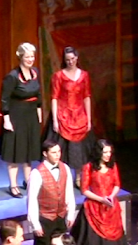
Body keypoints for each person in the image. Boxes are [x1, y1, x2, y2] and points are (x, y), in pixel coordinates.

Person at [71, 139, 129, 245]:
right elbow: (84, 190)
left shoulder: (112, 166)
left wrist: (111, 196)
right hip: (94, 208)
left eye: (110, 152)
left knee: (108, 243)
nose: (108, 155)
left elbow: (117, 184)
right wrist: (101, 199)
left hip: (110, 207)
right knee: (93, 242)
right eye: (105, 152)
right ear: (98, 152)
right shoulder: (89, 167)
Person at [43, 46, 94, 185]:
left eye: (72, 59)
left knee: (79, 149)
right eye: (67, 60)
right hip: (63, 115)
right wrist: (54, 119)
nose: (70, 62)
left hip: (79, 116)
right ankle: (61, 178)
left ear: (77, 58)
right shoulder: (58, 76)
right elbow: (54, 97)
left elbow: (86, 96)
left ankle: (78, 178)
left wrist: (88, 118)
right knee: (61, 149)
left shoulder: (84, 75)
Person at [27, 140, 76, 245]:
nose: (57, 155)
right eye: (53, 152)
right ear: (45, 154)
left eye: (59, 151)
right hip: (45, 218)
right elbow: (32, 200)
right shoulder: (37, 173)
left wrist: (70, 214)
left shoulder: (65, 168)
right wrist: (35, 224)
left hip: (60, 216)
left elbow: (69, 193)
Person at [0, 42, 43, 199]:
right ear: (20, 57)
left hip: (30, 116)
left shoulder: (36, 72)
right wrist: (6, 119)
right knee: (15, 152)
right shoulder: (12, 77)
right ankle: (13, 185)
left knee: (28, 151)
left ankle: (28, 180)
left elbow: (38, 94)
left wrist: (39, 111)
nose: (31, 59)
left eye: (32, 56)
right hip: (16, 116)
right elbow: (4, 99)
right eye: (27, 56)